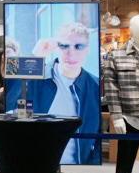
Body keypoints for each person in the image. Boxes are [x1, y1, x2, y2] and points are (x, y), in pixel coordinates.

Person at [32, 21, 100, 164]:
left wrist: (92, 161)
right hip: (37, 161)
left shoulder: (94, 86)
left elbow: (97, 132)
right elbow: (11, 99)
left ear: (87, 50)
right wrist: (36, 58)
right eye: (64, 46)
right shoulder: (37, 79)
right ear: (56, 48)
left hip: (79, 162)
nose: (71, 53)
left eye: (79, 46)